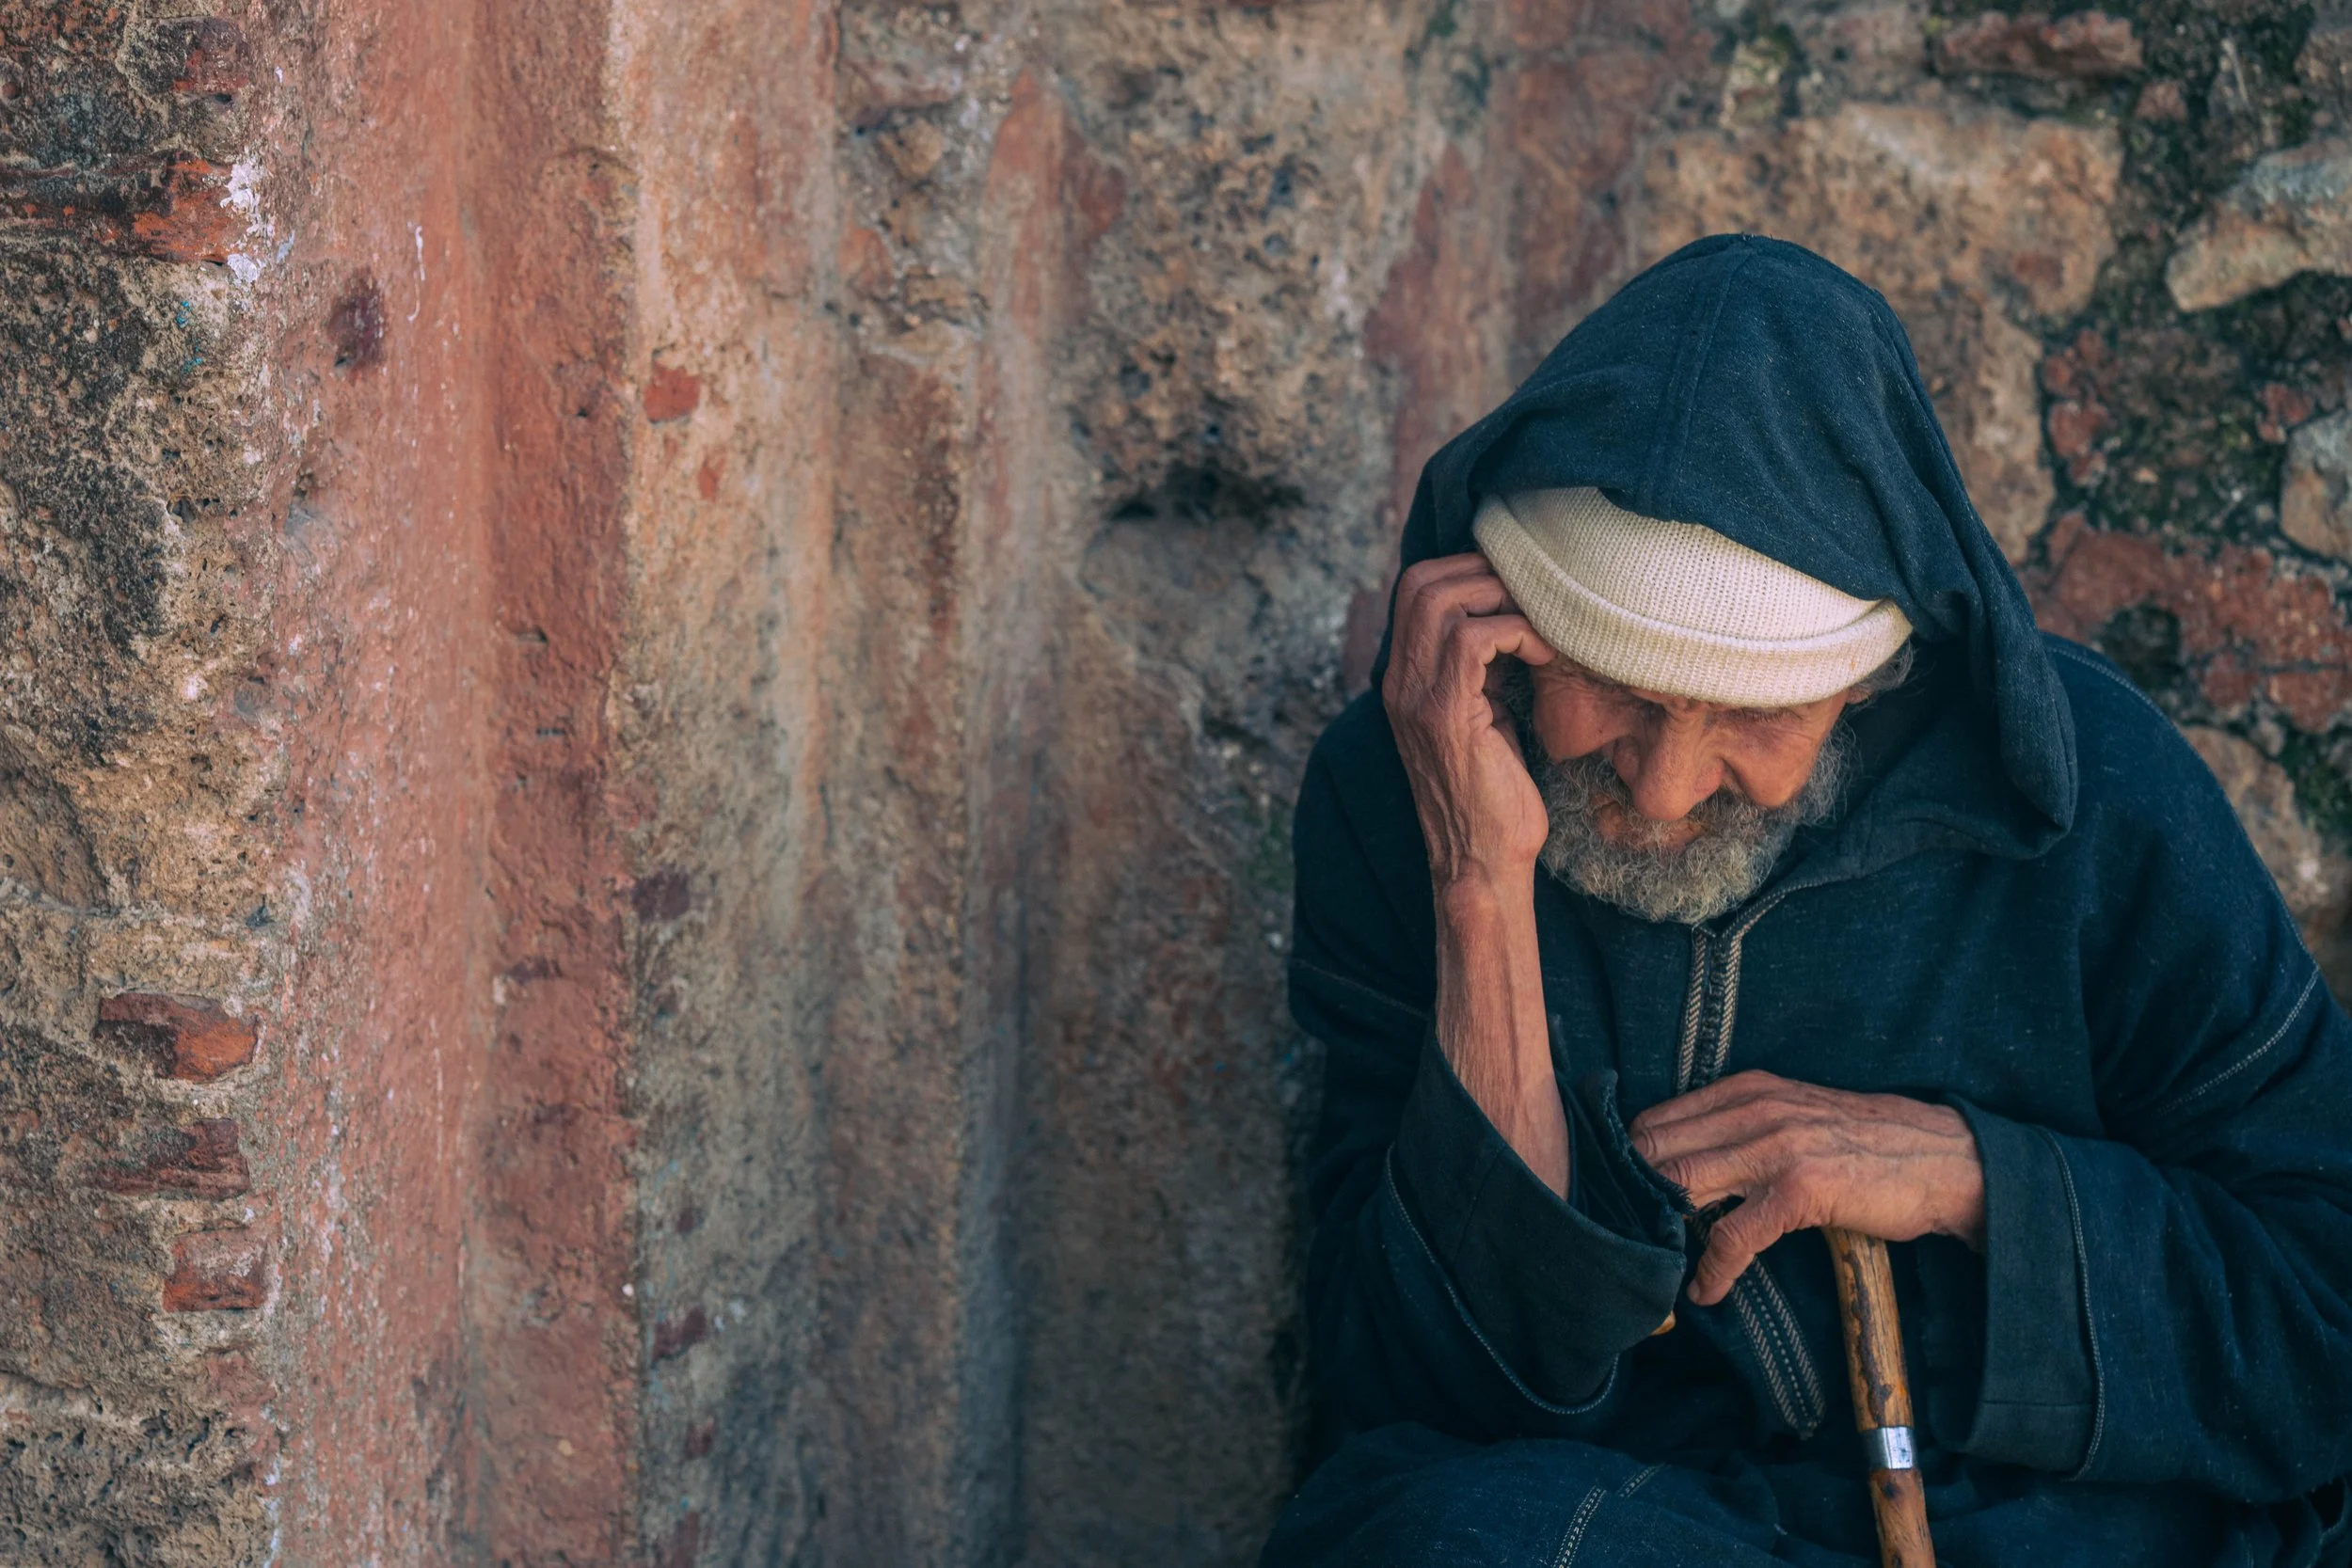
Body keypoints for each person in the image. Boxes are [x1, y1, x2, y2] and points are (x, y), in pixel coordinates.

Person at [1265, 235, 2352, 1567]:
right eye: (1606, 679)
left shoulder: (2095, 803)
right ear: (1500, 629)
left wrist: (1975, 1179)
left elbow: (2323, 1317)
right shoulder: (1412, 790)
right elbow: (1419, 1398)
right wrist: (1478, 883)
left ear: (1874, 678)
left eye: (1749, 710)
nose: (1662, 791)